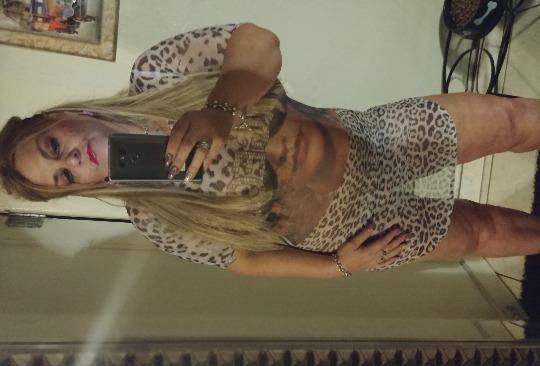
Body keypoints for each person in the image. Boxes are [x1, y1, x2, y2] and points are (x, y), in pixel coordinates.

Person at [2, 22, 540, 279]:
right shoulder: (155, 218)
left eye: (53, 146)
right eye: (63, 178)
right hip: (359, 230)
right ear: (79, 190)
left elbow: (260, 43)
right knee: (483, 232)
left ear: (60, 117)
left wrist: (220, 108)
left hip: (375, 136)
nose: (72, 162)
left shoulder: (157, 74)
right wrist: (338, 266)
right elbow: (243, 259)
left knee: (509, 121)